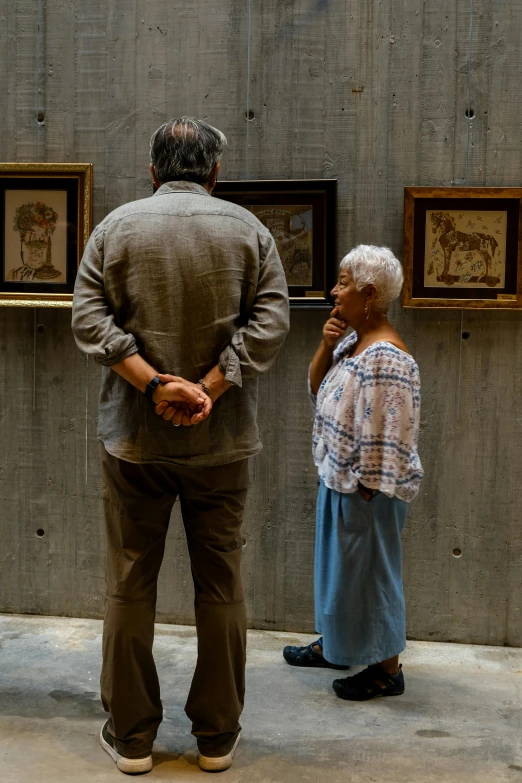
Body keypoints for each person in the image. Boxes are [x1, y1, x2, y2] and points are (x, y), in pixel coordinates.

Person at [71, 117, 289, 774]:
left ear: (152, 169)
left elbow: (87, 315)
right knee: (220, 586)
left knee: (129, 585)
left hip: (135, 440)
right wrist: (209, 388)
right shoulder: (250, 231)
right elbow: (273, 320)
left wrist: (154, 383)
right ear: (214, 172)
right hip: (222, 445)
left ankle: (133, 737)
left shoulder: (115, 228)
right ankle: (217, 737)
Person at [283, 245, 423, 701]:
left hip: (367, 490)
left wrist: (367, 489)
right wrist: (325, 345)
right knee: (341, 574)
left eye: (342, 283)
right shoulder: (350, 339)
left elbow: (393, 429)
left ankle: (387, 670)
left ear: (368, 292)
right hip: (340, 478)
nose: (333, 291)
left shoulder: (388, 356)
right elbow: (316, 385)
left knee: (373, 576)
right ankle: (338, 646)